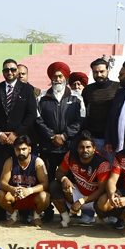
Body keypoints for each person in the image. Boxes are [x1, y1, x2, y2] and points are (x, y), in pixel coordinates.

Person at [0, 59, 38, 221]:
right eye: (7, 69)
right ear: (3, 71)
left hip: (19, 142)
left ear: (17, 71)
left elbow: (31, 115)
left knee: (22, 176)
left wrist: (16, 134)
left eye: (13, 69)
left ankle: (24, 213)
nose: (10, 72)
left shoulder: (27, 90)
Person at [36, 62, 82, 223]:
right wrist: (51, 136)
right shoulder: (42, 97)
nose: (57, 79)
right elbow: (38, 120)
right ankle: (47, 211)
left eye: (60, 76)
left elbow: (80, 121)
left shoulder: (77, 98)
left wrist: (64, 136)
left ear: (66, 77)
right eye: (54, 76)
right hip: (47, 148)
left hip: (68, 148)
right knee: (46, 180)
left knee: (69, 181)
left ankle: (68, 211)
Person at [53, 132, 111, 227]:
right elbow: (59, 172)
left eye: (88, 147)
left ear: (94, 148)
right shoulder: (71, 155)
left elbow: (102, 190)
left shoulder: (102, 163)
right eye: (81, 147)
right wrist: (64, 178)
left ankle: (101, 220)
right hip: (78, 192)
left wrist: (81, 201)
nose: (85, 150)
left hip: (94, 198)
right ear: (77, 148)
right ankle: (66, 220)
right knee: (54, 185)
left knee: (104, 200)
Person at [0, 135, 50, 227]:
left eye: (24, 149)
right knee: (0, 194)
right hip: (16, 195)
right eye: (18, 149)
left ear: (29, 149)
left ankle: (37, 216)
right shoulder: (10, 161)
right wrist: (12, 189)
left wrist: (29, 190)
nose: (21, 152)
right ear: (14, 150)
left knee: (45, 196)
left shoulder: (38, 162)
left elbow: (45, 184)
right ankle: (14, 215)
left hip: (32, 196)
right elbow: (2, 183)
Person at [81, 57, 119, 156]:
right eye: (95, 72)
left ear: (108, 71)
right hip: (93, 138)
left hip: (113, 139)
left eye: (102, 71)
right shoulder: (87, 90)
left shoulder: (118, 88)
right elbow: (83, 112)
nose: (99, 75)